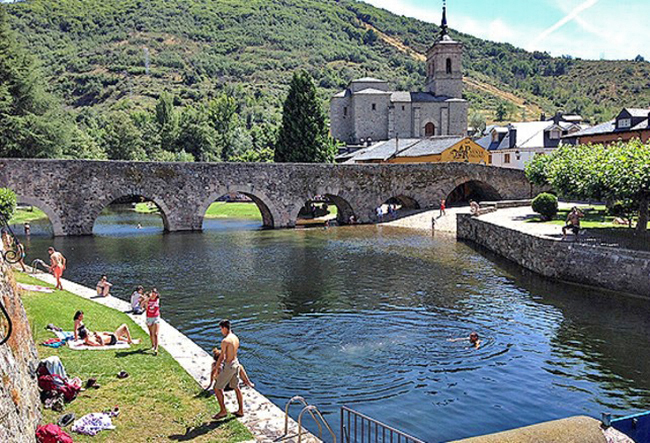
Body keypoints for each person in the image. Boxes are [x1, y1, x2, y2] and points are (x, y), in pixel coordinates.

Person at [213, 320, 244, 420]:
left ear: (224, 328)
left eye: (221, 329)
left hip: (229, 366)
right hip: (236, 363)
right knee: (236, 387)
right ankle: (240, 410)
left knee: (217, 388)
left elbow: (222, 356)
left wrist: (216, 369)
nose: (221, 331)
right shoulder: (235, 338)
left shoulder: (225, 341)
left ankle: (223, 411)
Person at [73, 310, 139, 346]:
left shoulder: (89, 339)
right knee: (124, 326)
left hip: (111, 338)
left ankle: (129, 340)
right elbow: (101, 345)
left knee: (118, 336)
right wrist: (99, 336)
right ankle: (130, 341)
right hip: (112, 339)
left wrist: (97, 335)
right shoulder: (90, 341)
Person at [141, 288, 161, 355]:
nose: (154, 294)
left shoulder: (157, 300)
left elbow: (156, 305)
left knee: (156, 334)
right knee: (151, 333)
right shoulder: (148, 300)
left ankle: (156, 348)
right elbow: (142, 305)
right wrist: (146, 300)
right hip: (149, 317)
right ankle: (153, 345)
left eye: (155, 293)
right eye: (153, 292)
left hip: (156, 317)